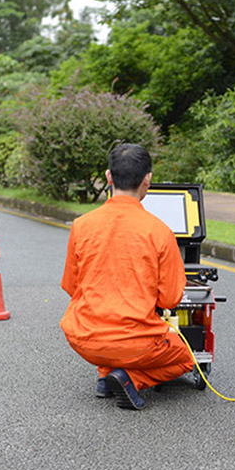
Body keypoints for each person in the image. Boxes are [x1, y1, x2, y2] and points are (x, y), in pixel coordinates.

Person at [60, 143, 194, 410]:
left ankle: (105, 376)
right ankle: (129, 377)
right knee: (187, 359)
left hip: (84, 340)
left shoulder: (81, 225)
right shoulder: (160, 231)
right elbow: (169, 298)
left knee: (111, 337)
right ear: (148, 180)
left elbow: (72, 286)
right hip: (136, 344)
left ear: (109, 177)